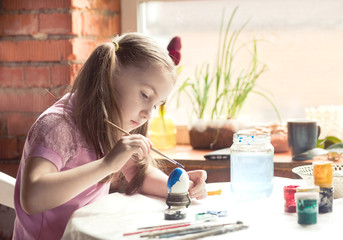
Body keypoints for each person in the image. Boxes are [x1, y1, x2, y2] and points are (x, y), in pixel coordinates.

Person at [12, 33, 208, 240]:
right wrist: (107, 164)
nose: (148, 114)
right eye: (144, 95)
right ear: (109, 78)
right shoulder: (57, 126)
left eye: (157, 104)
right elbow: (32, 198)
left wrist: (178, 187)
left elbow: (138, 174)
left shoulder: (114, 120)